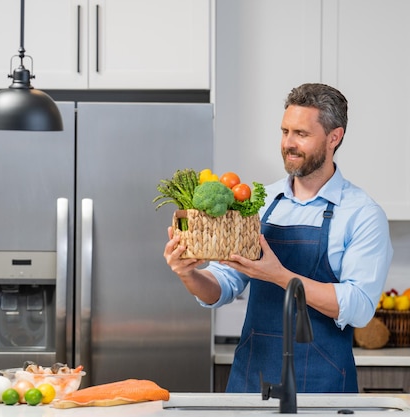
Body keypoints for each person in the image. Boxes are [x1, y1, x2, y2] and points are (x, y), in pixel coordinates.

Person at [163, 83, 393, 393]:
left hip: (320, 389)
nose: (288, 143)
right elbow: (223, 285)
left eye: (301, 134)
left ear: (334, 137)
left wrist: (281, 277)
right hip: (252, 383)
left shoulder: (361, 213)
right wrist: (187, 272)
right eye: (285, 131)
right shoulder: (261, 201)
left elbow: (358, 307)